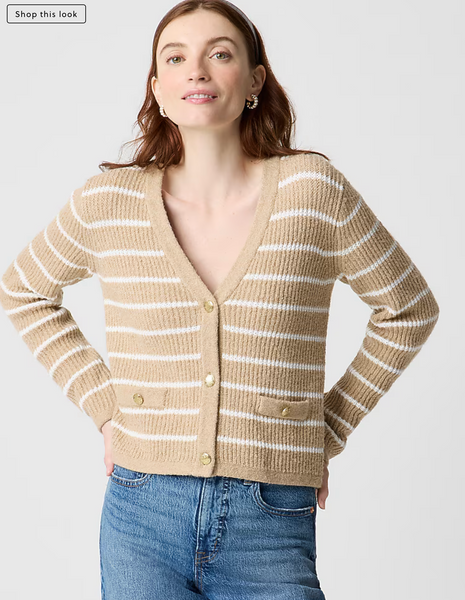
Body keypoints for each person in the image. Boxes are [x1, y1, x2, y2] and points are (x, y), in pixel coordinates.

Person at [0, 1, 440, 598]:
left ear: (255, 79)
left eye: (220, 53)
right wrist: (105, 405)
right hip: (140, 510)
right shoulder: (109, 202)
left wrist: (327, 427)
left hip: (271, 515)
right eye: (175, 58)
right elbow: (23, 290)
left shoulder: (313, 193)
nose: (197, 70)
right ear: (157, 88)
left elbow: (409, 308)